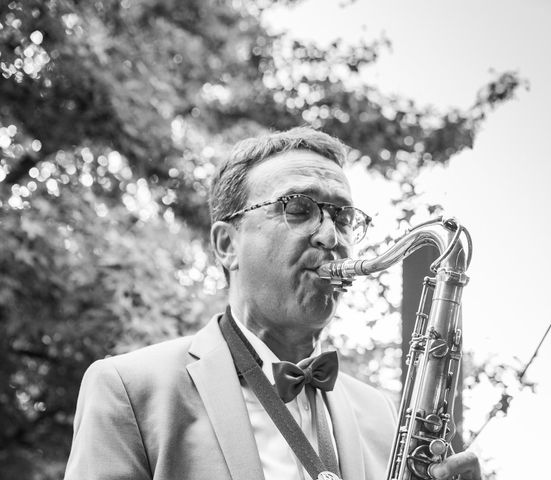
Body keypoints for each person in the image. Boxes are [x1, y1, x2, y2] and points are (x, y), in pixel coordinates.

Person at [64, 127, 482, 480]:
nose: (330, 237)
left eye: (342, 217)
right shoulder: (128, 388)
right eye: (299, 208)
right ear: (227, 245)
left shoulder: (381, 414)